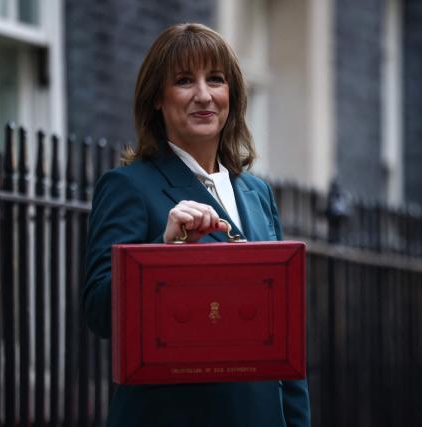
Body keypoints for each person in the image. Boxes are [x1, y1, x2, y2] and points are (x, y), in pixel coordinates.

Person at [83, 22, 311, 427]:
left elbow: (286, 340)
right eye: (185, 81)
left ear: (232, 95)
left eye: (216, 80)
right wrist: (162, 249)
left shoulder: (258, 194)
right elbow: (99, 314)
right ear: (157, 98)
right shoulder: (127, 187)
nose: (203, 95)